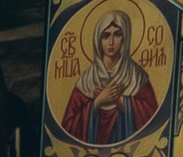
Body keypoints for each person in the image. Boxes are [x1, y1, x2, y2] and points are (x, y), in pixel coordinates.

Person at [59, 9, 159, 144]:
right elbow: (68, 128)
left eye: (117, 35)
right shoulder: (87, 80)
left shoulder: (137, 76)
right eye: (105, 36)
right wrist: (98, 102)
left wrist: (120, 100)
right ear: (98, 40)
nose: (111, 42)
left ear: (125, 38)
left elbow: (153, 120)